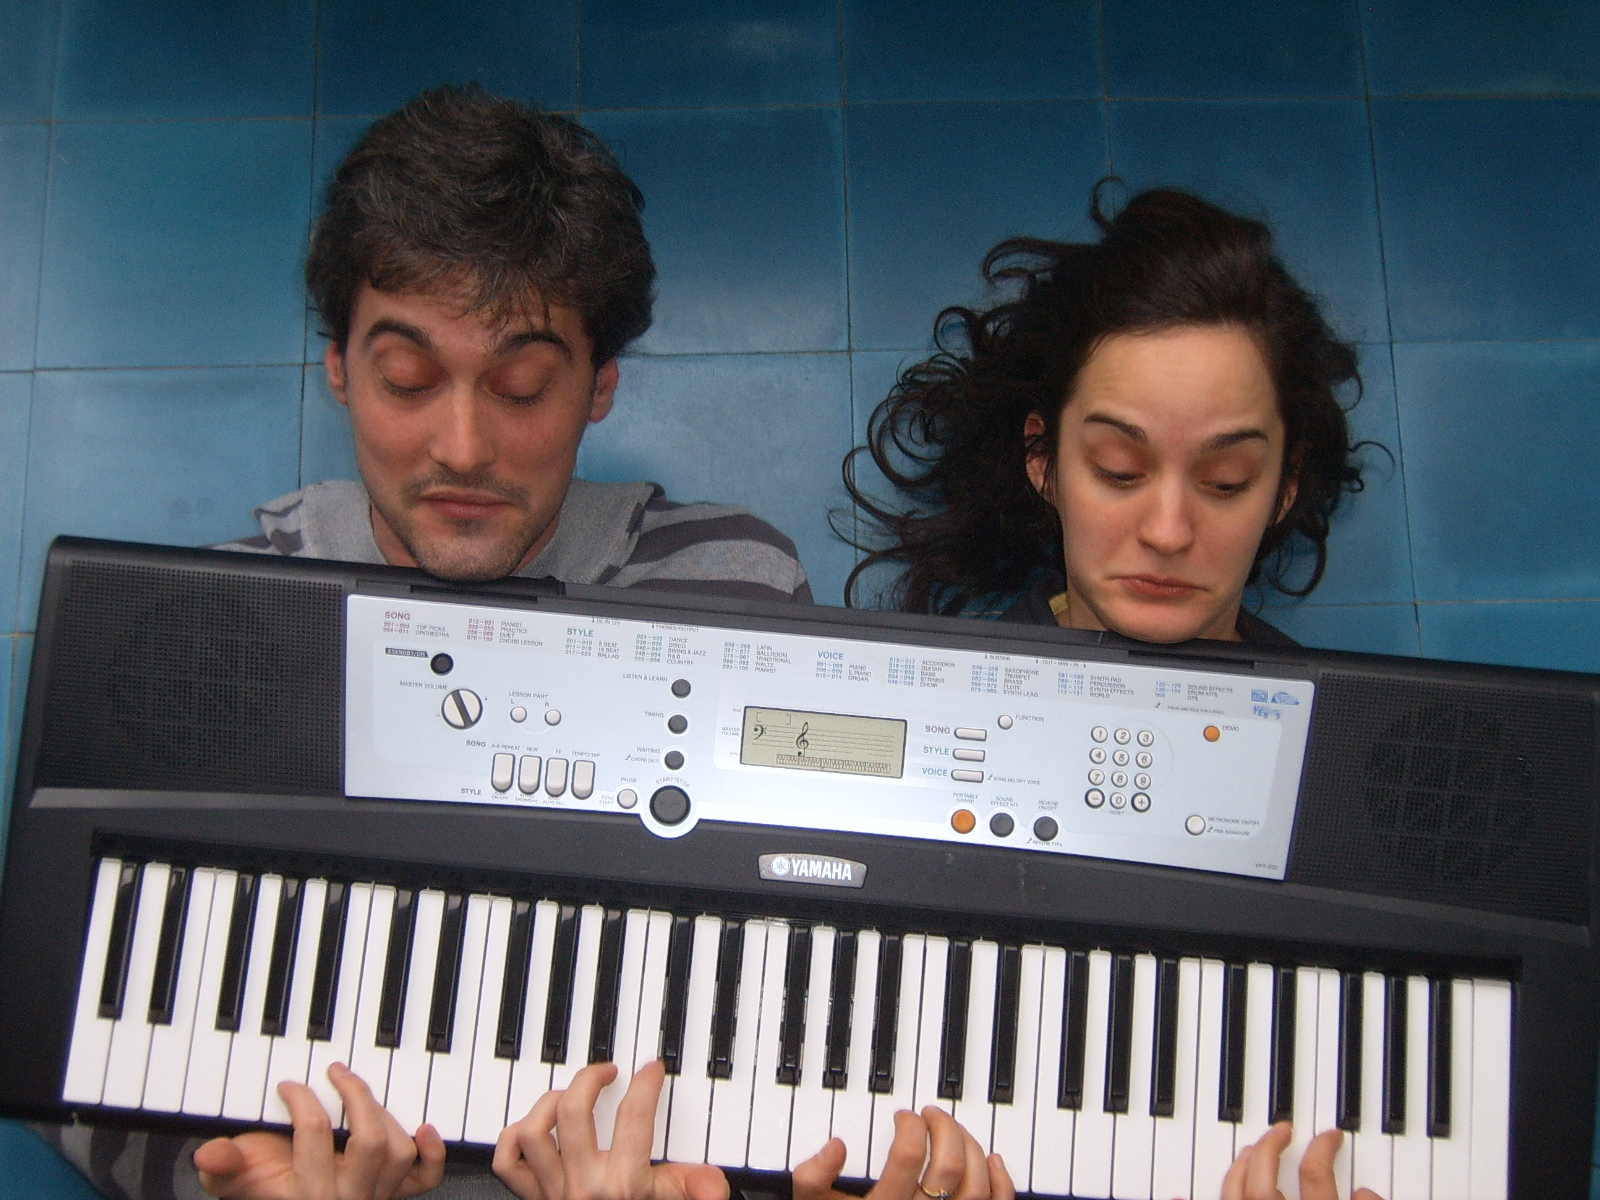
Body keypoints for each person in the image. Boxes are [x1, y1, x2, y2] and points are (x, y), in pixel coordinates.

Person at [35, 83, 812, 1200]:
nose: (463, 446)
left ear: (599, 386)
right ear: (339, 369)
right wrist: (226, 1179)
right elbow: (65, 1046)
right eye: (407, 379)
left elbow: (800, 986)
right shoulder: (211, 628)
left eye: (522, 388)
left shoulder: (733, 579)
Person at [844, 186, 1367, 646]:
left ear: (1286, 487)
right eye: (1119, 471)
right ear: (1042, 460)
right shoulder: (949, 706)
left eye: (1225, 481)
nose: (1167, 533)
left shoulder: (1333, 721)